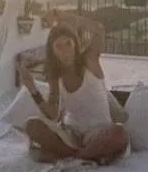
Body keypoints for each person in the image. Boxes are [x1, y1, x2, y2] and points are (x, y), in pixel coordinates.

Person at [17, 9, 129, 164]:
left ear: (76, 45)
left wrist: (64, 17)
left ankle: (69, 156)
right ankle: (86, 155)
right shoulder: (55, 77)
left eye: (68, 44)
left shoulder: (89, 62)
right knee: (31, 125)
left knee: (120, 134)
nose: (65, 51)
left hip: (98, 134)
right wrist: (32, 88)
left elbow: (98, 29)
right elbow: (52, 114)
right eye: (59, 47)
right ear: (53, 51)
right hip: (71, 135)